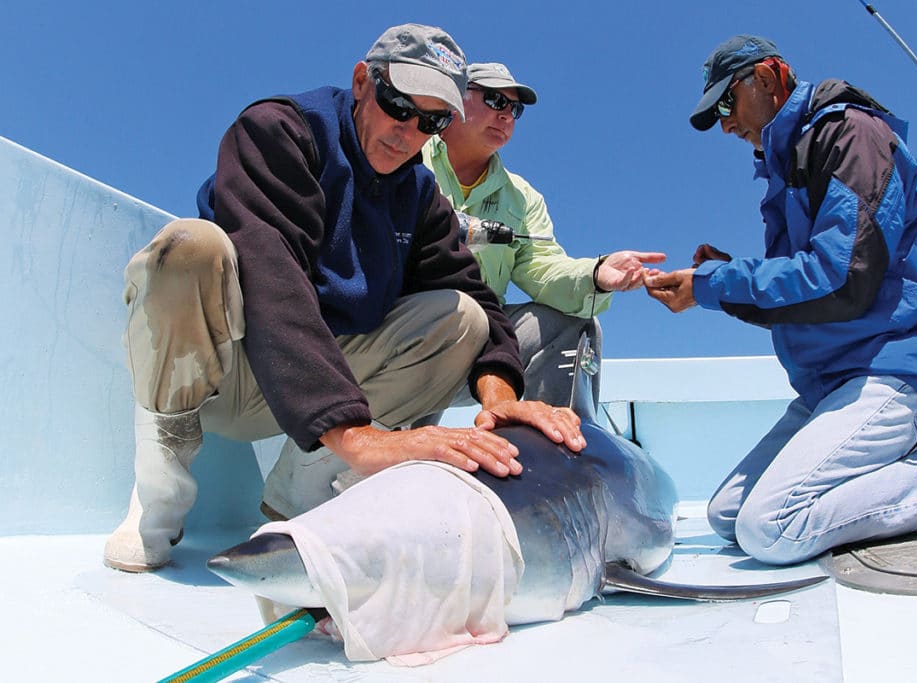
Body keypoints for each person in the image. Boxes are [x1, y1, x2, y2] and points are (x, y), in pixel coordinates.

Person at [103, 24, 585, 573]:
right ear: (362, 81)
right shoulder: (278, 131)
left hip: (318, 392)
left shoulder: (420, 195)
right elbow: (272, 279)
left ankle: (297, 500)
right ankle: (159, 495)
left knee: (463, 317)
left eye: (430, 122)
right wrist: (356, 436)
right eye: (399, 105)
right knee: (189, 247)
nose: (408, 133)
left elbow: (474, 292)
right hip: (222, 378)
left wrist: (497, 397)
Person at [644, 34, 917, 565]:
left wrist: (714, 285)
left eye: (727, 103)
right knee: (727, 516)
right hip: (833, 381)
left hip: (898, 369)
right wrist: (725, 276)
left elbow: (843, 279)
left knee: (770, 529)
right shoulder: (789, 164)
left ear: (769, 77)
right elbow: (808, 296)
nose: (727, 124)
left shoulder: (852, 135)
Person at [421, 62, 665, 407]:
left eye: (514, 108)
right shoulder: (406, 153)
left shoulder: (523, 198)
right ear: (457, 99)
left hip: (477, 348)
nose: (507, 115)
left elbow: (544, 268)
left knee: (575, 321)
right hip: (395, 335)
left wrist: (595, 275)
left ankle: (562, 448)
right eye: (494, 100)